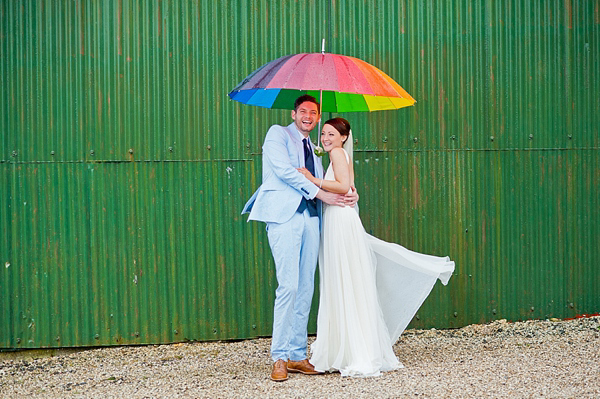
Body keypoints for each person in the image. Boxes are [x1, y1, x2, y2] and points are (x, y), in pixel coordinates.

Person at [297, 118, 455, 377]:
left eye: (331, 134)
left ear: (344, 137)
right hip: (340, 217)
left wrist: (312, 178)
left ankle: (347, 349)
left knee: (342, 278)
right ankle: (351, 346)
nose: (325, 138)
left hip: (339, 219)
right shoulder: (342, 155)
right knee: (348, 279)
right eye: (323, 133)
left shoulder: (337, 154)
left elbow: (344, 187)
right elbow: (351, 186)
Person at [242, 96, 359, 382]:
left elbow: (329, 182)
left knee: (306, 287)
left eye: (314, 112)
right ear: (294, 114)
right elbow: (283, 172)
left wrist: (350, 194)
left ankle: (296, 355)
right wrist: (319, 193)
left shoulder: (316, 149)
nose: (308, 116)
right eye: (303, 111)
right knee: (289, 286)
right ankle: (279, 357)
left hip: (311, 219)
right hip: (284, 217)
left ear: (318, 118)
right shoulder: (277, 135)